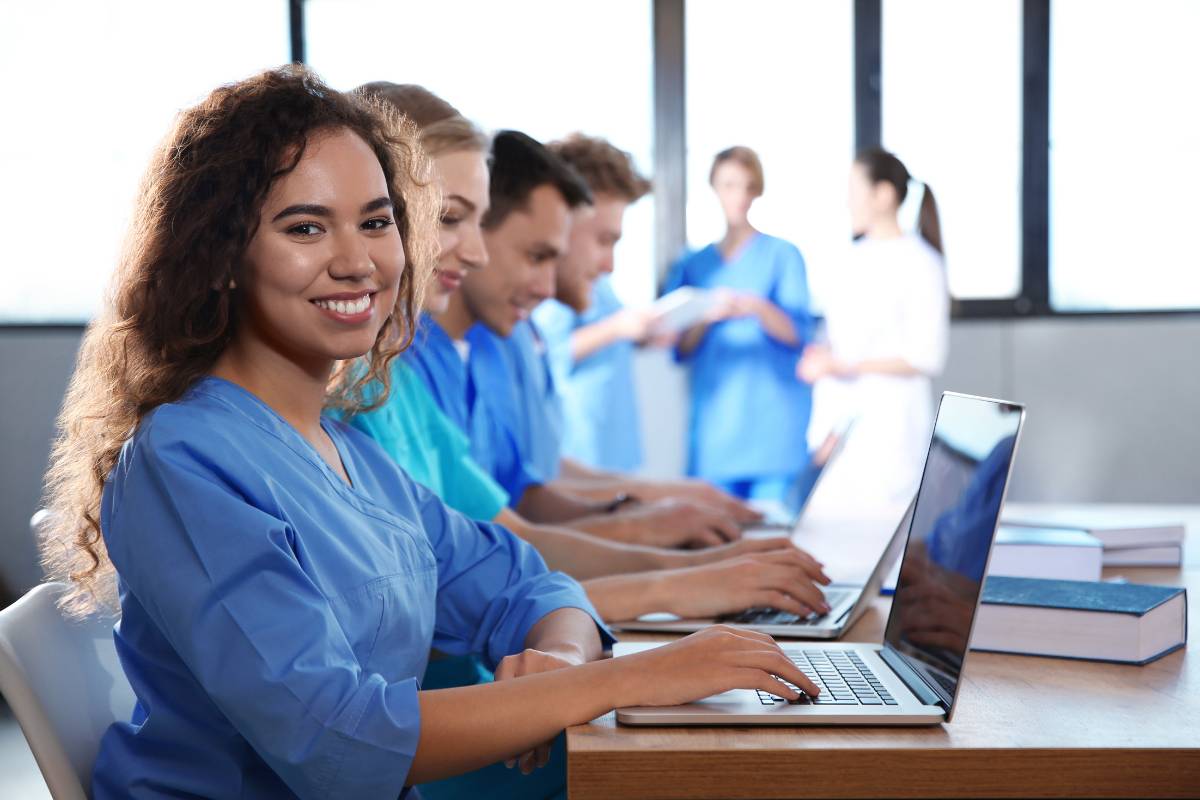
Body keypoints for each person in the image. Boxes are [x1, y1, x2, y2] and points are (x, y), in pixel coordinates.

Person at [37, 67, 820, 799]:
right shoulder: (184, 462)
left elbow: (529, 582)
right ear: (222, 257)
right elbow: (334, 738)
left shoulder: (351, 456)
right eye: (306, 229)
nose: (358, 261)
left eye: (376, 223)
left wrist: (559, 659)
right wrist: (619, 681)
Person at [348, 82, 829, 617]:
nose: (477, 253)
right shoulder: (393, 378)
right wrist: (670, 571)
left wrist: (672, 549)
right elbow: (453, 603)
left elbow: (499, 547)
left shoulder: (403, 382)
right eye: (450, 218)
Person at [410, 129, 747, 547]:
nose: (607, 263)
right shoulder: (455, 349)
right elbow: (485, 549)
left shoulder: (496, 332)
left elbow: (525, 489)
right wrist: (643, 528)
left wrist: (647, 509)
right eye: (602, 240)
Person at [797, 147, 950, 509]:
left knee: (881, 539)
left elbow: (926, 357)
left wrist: (842, 365)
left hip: (891, 430)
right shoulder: (849, 259)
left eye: (854, 191)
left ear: (883, 195)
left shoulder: (921, 263)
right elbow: (840, 341)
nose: (847, 202)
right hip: (842, 431)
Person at [665, 146, 814, 504]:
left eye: (747, 186)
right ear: (714, 188)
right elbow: (678, 347)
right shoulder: (693, 264)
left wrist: (757, 307)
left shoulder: (783, 255)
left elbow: (799, 334)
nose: (738, 196)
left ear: (757, 191)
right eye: (729, 185)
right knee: (713, 536)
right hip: (716, 431)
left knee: (777, 535)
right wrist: (706, 314)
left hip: (774, 427)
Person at [531, 135, 656, 473]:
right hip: (581, 438)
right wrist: (616, 329)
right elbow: (556, 351)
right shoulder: (541, 302)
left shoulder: (592, 286)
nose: (609, 265)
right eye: (603, 240)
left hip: (608, 442)